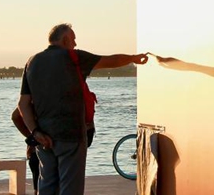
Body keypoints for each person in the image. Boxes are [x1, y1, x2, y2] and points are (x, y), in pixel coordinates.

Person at [17, 22, 149, 195]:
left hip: (43, 138)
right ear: (65, 40)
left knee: (47, 187)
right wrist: (133, 58)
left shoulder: (32, 62)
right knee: (70, 189)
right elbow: (110, 60)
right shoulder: (74, 57)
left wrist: (35, 133)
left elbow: (23, 104)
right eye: (73, 39)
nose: (75, 44)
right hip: (71, 136)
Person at [11, 108, 40, 195]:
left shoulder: (34, 98)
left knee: (38, 183)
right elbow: (15, 116)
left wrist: (31, 136)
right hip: (56, 143)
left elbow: (15, 116)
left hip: (36, 146)